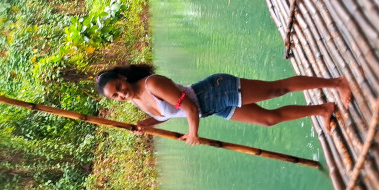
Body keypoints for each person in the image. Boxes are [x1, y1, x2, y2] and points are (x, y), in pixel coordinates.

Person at [95, 64, 353, 145]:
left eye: (118, 87)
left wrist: (193, 133)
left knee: (278, 89)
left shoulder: (152, 84)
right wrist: (146, 123)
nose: (121, 94)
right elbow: (167, 114)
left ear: (122, 77)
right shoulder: (138, 100)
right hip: (214, 107)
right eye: (115, 96)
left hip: (217, 90)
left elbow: (188, 108)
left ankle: (337, 82)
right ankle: (323, 109)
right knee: (268, 119)